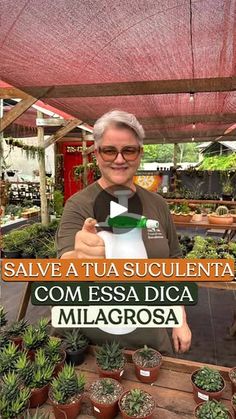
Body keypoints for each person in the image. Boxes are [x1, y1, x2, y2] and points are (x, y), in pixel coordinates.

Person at [56, 110, 192, 355]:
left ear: (139, 154)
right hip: (89, 346)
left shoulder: (157, 204)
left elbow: (173, 263)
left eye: (128, 150)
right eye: (109, 150)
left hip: (150, 341)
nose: (119, 159)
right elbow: (66, 264)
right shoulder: (79, 205)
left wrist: (179, 317)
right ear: (97, 154)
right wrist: (79, 256)